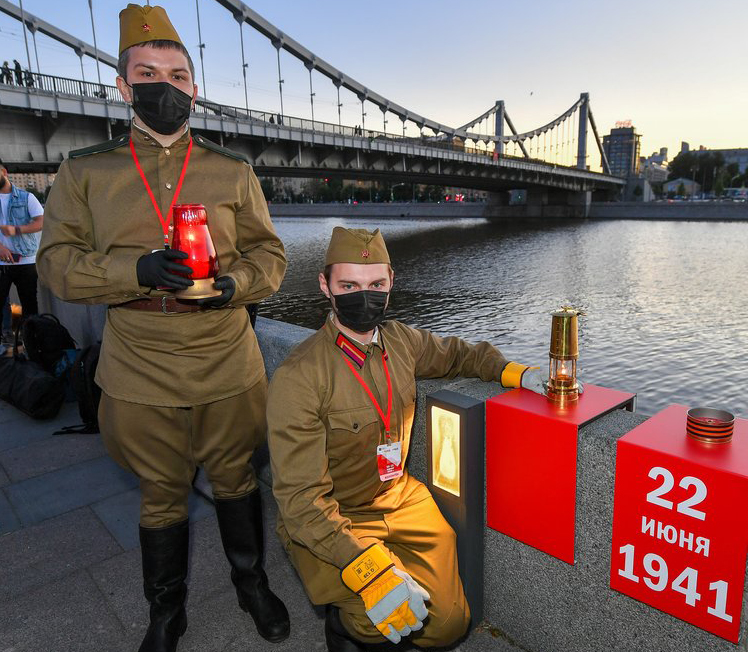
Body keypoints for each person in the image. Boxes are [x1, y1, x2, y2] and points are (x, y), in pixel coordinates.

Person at [36, 5, 289, 652]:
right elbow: (56, 265)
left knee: (235, 480)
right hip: (139, 359)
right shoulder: (84, 171)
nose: (165, 86)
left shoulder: (233, 169)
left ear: (195, 88)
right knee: (161, 492)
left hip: (227, 357)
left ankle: (251, 583)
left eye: (178, 74)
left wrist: (234, 285)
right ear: (124, 87)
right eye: (147, 73)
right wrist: (137, 270)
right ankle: (165, 613)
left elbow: (270, 256)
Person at [267, 227, 546, 651]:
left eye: (376, 284)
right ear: (325, 286)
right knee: (382, 614)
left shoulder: (402, 341)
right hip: (332, 517)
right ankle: (343, 627)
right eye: (349, 286)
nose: (365, 296)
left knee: (449, 623)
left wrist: (515, 373)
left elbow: (458, 355)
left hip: (399, 498)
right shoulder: (299, 378)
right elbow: (301, 502)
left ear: (392, 283)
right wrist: (368, 569)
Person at [0, 159, 44, 334]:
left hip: (26, 262)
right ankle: (4, 347)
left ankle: (32, 346)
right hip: (1, 264)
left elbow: (41, 222)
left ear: (4, 172)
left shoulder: (27, 197)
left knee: (30, 309)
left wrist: (16, 230)